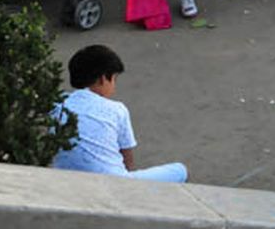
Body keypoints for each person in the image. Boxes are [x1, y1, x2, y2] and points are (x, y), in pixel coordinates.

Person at [51, 44, 187, 181]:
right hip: (112, 185)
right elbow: (127, 160)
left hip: (66, 181)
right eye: (114, 79)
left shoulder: (58, 103)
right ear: (103, 79)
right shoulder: (117, 110)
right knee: (180, 170)